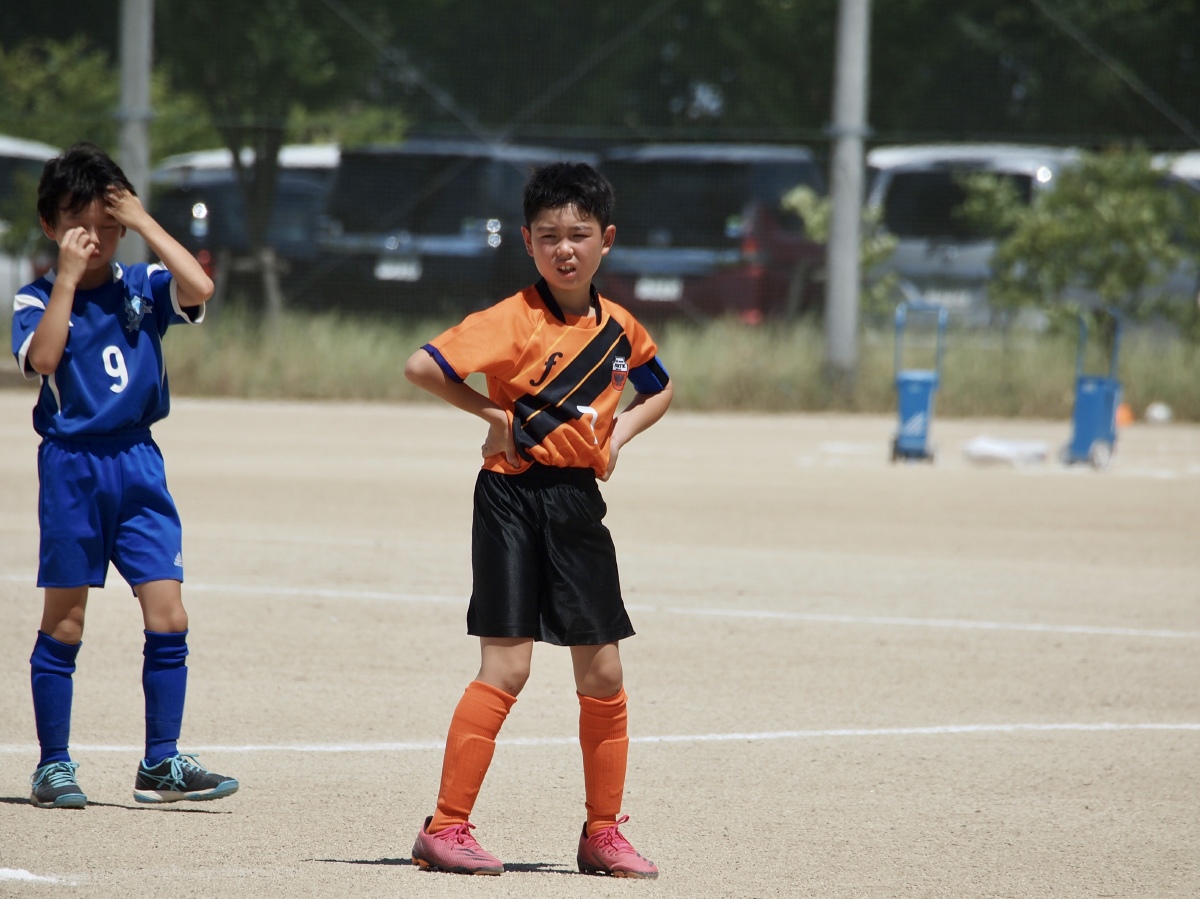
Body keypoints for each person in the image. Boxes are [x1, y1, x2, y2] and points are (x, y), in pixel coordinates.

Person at [404, 161, 673, 878]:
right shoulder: (511, 319)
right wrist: (493, 416)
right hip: (511, 498)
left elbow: (659, 387)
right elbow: (423, 367)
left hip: (577, 502)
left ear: (606, 239)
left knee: (604, 670)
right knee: (508, 666)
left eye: (579, 235)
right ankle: (446, 827)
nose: (564, 249)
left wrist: (617, 437)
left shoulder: (619, 328)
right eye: (549, 236)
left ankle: (602, 833)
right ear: (527, 242)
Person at [10, 142, 238, 808]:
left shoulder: (141, 284)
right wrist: (65, 278)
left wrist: (141, 220)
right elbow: (45, 358)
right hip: (73, 468)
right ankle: (53, 765)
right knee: (66, 621)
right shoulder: (35, 297)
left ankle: (161, 761)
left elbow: (200, 289)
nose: (97, 237)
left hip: (139, 462)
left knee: (169, 613)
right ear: (51, 225)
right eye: (80, 224)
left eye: (108, 224)